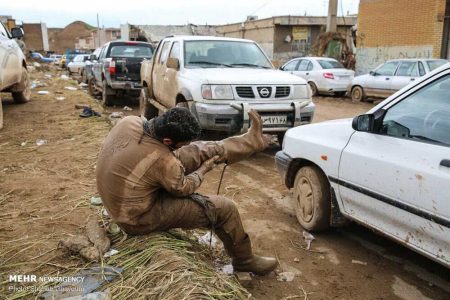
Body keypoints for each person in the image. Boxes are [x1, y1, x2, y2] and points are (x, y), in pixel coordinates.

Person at [96, 107, 278, 275]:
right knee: (225, 208)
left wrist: (190, 152)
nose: (184, 147)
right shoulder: (163, 162)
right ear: (167, 141)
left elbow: (174, 155)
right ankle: (245, 261)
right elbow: (183, 189)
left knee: (199, 150)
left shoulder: (130, 121)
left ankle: (251, 141)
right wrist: (203, 170)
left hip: (124, 193)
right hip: (135, 217)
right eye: (181, 144)